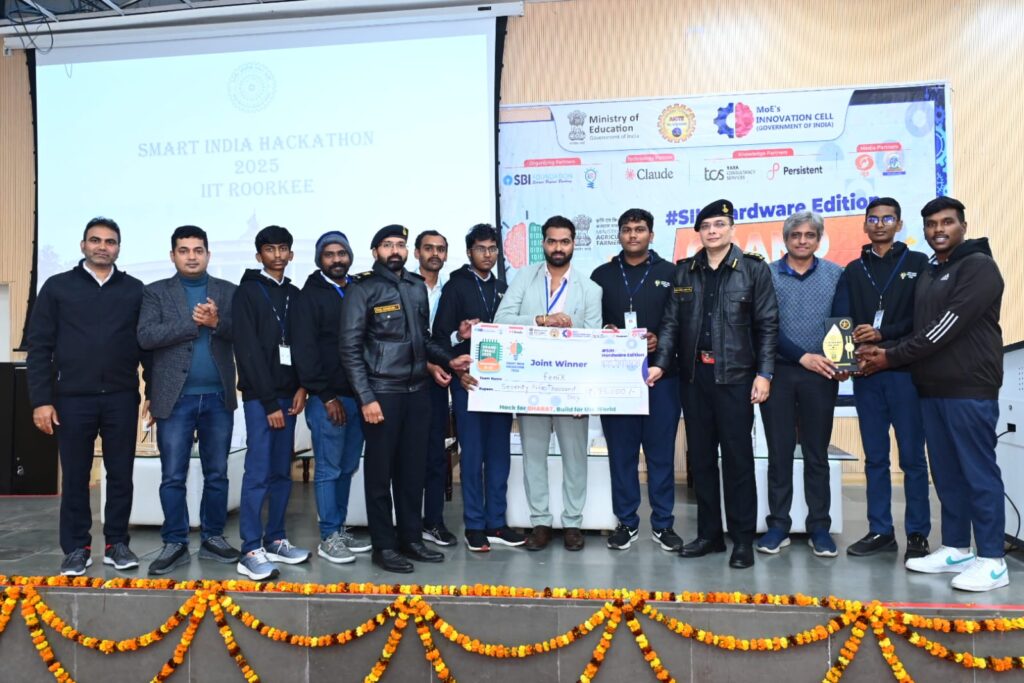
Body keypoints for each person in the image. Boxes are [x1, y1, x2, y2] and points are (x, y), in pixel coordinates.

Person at [859, 196, 1008, 592]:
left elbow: (945, 327)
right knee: (946, 474)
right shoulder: (932, 270)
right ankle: (957, 547)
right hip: (931, 388)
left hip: (968, 387)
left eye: (947, 222)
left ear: (962, 226)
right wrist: (885, 348)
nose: (938, 230)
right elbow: (919, 328)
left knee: (977, 473)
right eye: (931, 225)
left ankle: (992, 559)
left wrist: (889, 357)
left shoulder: (978, 267)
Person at [648, 199, 778, 569]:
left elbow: (767, 325)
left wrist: (764, 373)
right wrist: (660, 365)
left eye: (719, 224)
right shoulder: (685, 272)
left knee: (738, 460)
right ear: (699, 233)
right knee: (701, 461)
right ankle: (709, 535)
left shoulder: (753, 269)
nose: (712, 231)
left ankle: (742, 539)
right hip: (694, 378)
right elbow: (670, 324)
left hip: (736, 377)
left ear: (732, 229)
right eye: (706, 226)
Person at [338, 224, 471, 573]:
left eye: (399, 244)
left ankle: (411, 539)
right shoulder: (362, 289)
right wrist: (366, 397)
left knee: (412, 472)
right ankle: (384, 546)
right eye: (387, 245)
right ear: (375, 251)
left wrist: (449, 360)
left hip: (418, 393)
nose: (394, 250)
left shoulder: (414, 286)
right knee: (380, 474)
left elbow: (422, 339)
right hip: (382, 393)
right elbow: (349, 348)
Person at [26, 216, 148, 576]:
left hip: (121, 397)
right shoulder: (57, 287)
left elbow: (147, 346)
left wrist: (153, 392)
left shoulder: (134, 290)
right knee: (76, 476)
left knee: (121, 474)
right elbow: (39, 346)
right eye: (95, 240)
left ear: (118, 248)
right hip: (71, 399)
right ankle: (77, 549)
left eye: (110, 242)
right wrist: (41, 400)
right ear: (83, 245)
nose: (102, 247)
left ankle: (116, 544)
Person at [493, 215, 602, 552]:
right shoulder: (524, 278)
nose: (558, 247)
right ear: (543, 244)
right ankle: (540, 522)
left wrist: (585, 395)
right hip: (531, 386)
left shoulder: (590, 289)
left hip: (572, 389)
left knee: (575, 459)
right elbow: (501, 320)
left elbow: (594, 340)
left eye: (564, 241)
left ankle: (573, 523)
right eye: (552, 241)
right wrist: (541, 320)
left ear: (573, 244)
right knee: (533, 457)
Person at [138, 225, 240, 575]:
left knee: (217, 474)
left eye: (198, 250)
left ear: (208, 254)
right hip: (174, 399)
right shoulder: (155, 292)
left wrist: (217, 322)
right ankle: (175, 541)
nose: (192, 256)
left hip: (218, 398)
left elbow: (242, 333)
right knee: (173, 476)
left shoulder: (227, 291)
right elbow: (146, 336)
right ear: (173, 255)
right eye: (184, 250)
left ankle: (213, 537)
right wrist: (192, 324)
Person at [834, 197, 931, 561]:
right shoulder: (853, 269)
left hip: (905, 373)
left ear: (899, 224)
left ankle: (917, 535)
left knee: (912, 459)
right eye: (873, 219)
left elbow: (923, 318)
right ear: (864, 225)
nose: (879, 224)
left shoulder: (918, 264)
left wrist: (883, 335)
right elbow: (841, 318)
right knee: (875, 458)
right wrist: (850, 356)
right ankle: (880, 531)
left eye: (887, 219)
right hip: (867, 376)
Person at [589, 208, 683, 552]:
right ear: (619, 234)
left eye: (640, 229)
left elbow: (680, 322)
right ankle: (626, 523)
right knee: (622, 455)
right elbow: (591, 322)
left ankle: (663, 524)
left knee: (660, 456)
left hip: (662, 378)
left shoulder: (671, 273)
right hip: (616, 381)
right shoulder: (601, 275)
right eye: (626, 229)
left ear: (651, 235)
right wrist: (606, 331)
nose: (633, 235)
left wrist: (661, 342)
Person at [755, 211, 845, 558]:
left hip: (821, 374)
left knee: (816, 454)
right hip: (778, 372)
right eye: (796, 235)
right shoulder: (766, 274)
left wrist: (835, 361)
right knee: (779, 453)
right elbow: (764, 325)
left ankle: (819, 527)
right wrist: (801, 356)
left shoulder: (836, 274)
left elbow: (841, 322)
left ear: (819, 239)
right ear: (786, 239)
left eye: (809, 235)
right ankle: (778, 525)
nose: (802, 241)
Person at [432, 224, 524, 552]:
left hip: (501, 387)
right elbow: (439, 338)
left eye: (492, 248)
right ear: (469, 252)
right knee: (472, 456)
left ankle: (496, 522)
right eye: (481, 249)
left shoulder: (504, 288)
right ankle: (474, 525)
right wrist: (459, 337)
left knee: (499, 456)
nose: (487, 254)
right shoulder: (455, 287)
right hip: (468, 383)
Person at [233, 225, 310, 581]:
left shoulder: (295, 294)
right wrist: (268, 403)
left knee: (282, 471)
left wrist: (302, 387)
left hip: (289, 396)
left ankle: (276, 539)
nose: (277, 255)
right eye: (270, 249)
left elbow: (303, 345)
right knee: (258, 472)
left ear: (291, 254)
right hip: (261, 399)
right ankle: (250, 549)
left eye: (283, 249)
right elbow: (246, 351)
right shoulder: (247, 293)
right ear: (259, 254)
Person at [292, 231, 371, 565]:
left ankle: (338, 528)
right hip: (328, 399)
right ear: (319, 260)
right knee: (328, 468)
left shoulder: (359, 289)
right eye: (329, 254)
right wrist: (325, 396)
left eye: (342, 253)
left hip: (359, 397)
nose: (337, 259)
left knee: (348, 466)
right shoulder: (308, 297)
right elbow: (304, 351)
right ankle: (328, 537)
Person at [412, 230, 456, 547]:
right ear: (417, 253)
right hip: (405, 382)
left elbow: (444, 336)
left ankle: (434, 521)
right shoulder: (402, 287)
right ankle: (409, 524)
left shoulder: (450, 290)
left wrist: (458, 337)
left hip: (439, 381)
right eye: (428, 248)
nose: (435, 254)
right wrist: (427, 364)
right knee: (408, 456)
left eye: (440, 249)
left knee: (436, 456)